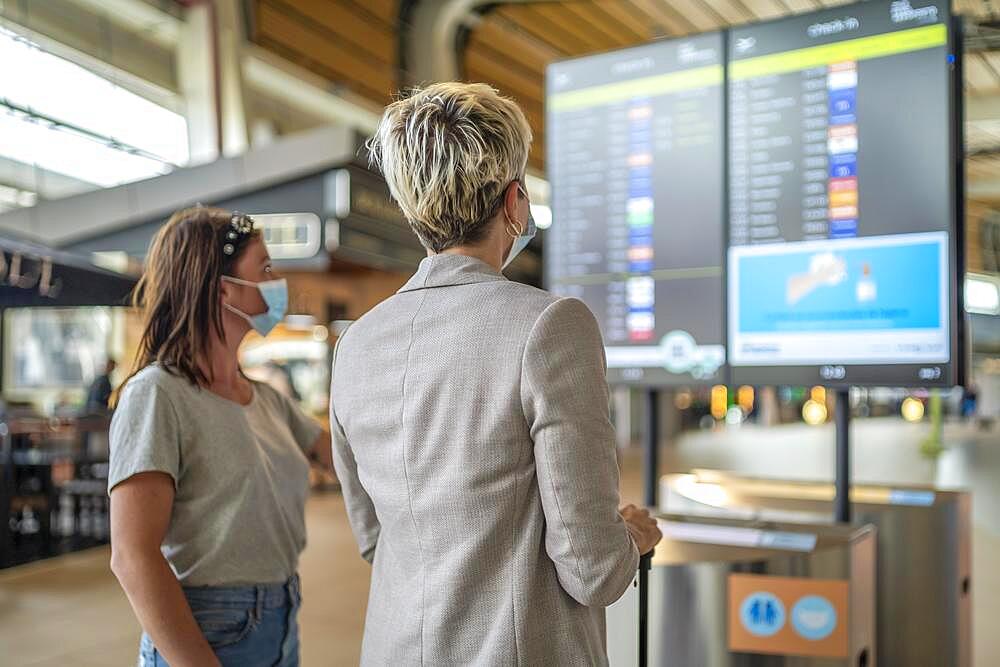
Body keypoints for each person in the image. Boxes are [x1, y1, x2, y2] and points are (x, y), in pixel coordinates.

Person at [330, 82, 662, 665]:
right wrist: (630, 537)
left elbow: (373, 536)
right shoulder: (550, 325)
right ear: (514, 202)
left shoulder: (355, 344)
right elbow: (591, 569)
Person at [108, 207, 332, 667]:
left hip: (281, 618)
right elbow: (133, 557)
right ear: (223, 288)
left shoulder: (267, 399)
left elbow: (345, 459)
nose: (277, 282)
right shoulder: (157, 394)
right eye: (265, 268)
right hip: (208, 629)